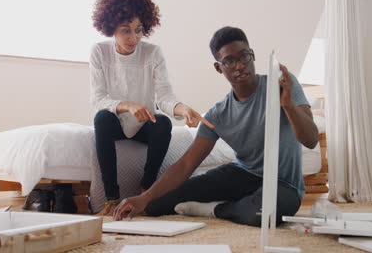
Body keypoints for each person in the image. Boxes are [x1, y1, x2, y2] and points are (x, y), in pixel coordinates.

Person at [112, 26, 319, 226]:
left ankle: (215, 209)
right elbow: (186, 165)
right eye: (229, 61)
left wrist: (288, 105)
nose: (239, 66)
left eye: (244, 56)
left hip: (283, 185)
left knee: (261, 213)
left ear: (252, 55)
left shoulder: (282, 85)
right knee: (158, 204)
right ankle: (236, 205)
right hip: (242, 176)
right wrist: (145, 197)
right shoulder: (218, 114)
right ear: (218, 67)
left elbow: (310, 140)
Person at [90, 0, 212, 216]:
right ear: (111, 28)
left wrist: (182, 108)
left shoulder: (153, 53)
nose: (133, 38)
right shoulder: (99, 52)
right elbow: (99, 99)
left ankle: (146, 189)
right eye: (126, 31)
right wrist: (129, 105)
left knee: (163, 123)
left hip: (143, 125)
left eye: (138, 31)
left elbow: (164, 97)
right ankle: (111, 199)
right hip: (114, 122)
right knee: (102, 118)